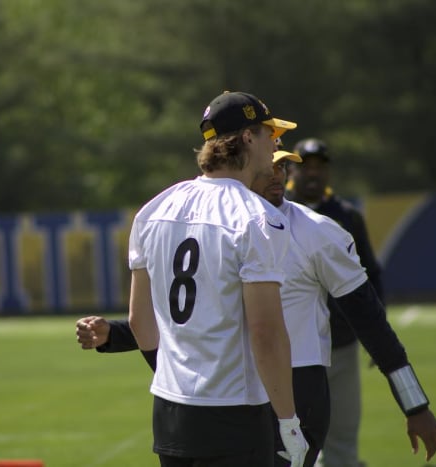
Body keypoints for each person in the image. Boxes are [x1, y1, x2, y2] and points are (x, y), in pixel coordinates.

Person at [77, 145, 436, 466]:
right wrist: (115, 334)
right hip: (234, 394)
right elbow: (193, 317)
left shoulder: (319, 232)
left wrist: (415, 404)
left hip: (297, 388)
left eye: (283, 166)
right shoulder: (224, 228)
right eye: (270, 164)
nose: (275, 173)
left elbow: (370, 321)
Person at [125, 90, 308, 467]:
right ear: (246, 138)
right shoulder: (258, 218)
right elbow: (266, 333)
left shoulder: (154, 209)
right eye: (268, 133)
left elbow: (140, 323)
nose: (275, 143)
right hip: (233, 414)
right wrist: (289, 422)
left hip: (170, 412)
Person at [286, 138, 384, 467]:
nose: (312, 173)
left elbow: (370, 275)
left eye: (319, 166)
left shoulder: (346, 216)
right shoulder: (271, 208)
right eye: (305, 166)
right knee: (290, 441)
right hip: (293, 349)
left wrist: (375, 335)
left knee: (342, 436)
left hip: (341, 344)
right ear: (292, 170)